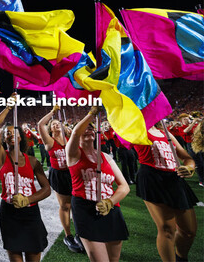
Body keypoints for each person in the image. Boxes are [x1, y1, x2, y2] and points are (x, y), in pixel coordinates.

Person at [65, 107, 130, 262]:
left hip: (111, 209)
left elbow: (124, 186)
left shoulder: (106, 157)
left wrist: (110, 202)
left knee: (114, 259)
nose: (88, 131)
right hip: (85, 209)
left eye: (91, 128)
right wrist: (91, 114)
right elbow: (75, 133)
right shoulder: (73, 154)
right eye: (84, 129)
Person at [0, 96, 51, 262]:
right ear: (4, 139)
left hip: (30, 212)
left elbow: (47, 189)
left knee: (33, 255)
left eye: (14, 133)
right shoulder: (1, 157)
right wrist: (9, 107)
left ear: (20, 137)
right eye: (7, 133)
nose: (10, 135)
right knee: (15, 256)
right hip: (9, 212)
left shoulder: (32, 161)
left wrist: (28, 199)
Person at [134, 122, 198, 262]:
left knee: (189, 231)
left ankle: (181, 257)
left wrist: (189, 168)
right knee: (167, 229)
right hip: (152, 178)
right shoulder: (135, 130)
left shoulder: (165, 133)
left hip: (174, 179)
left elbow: (187, 158)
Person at [37, 106, 83, 253]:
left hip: (74, 173)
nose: (56, 125)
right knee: (65, 205)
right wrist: (52, 112)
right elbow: (40, 125)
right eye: (53, 124)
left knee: (77, 204)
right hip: (59, 175)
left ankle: (80, 233)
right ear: (50, 128)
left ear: (63, 125)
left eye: (58, 123)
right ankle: (68, 235)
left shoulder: (70, 139)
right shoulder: (49, 142)